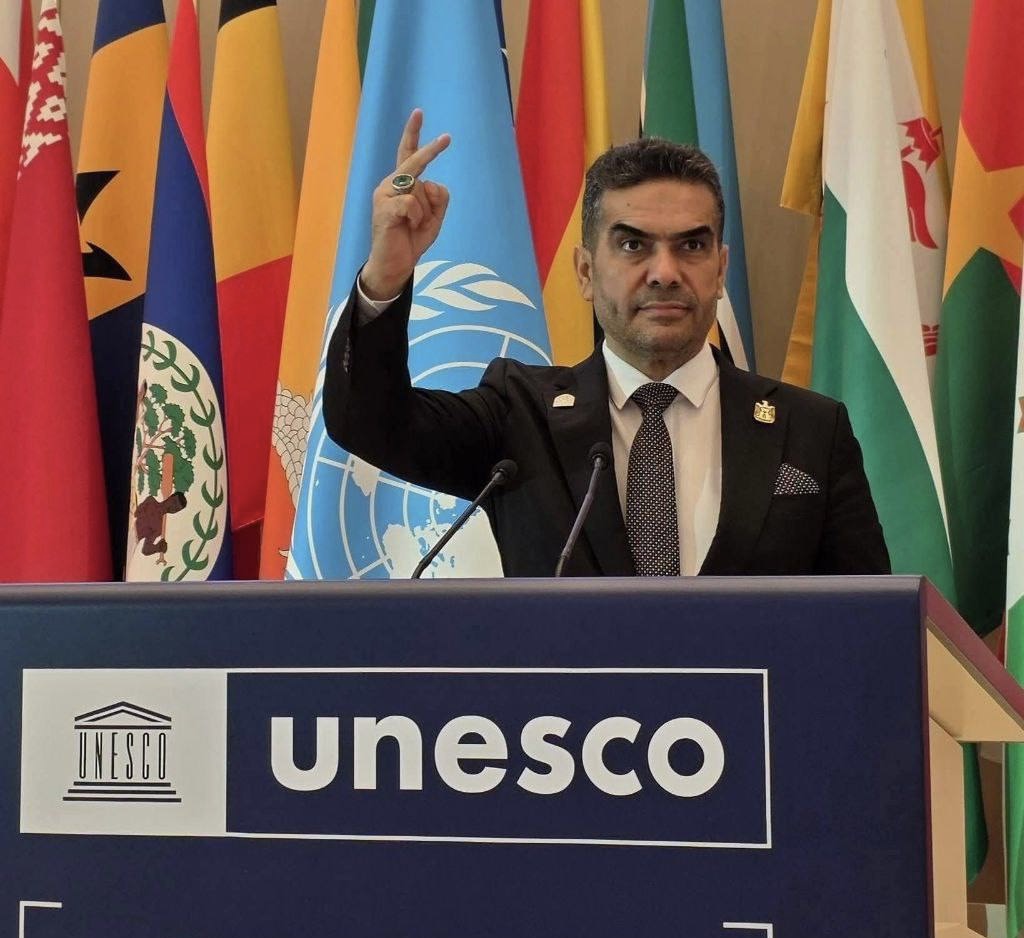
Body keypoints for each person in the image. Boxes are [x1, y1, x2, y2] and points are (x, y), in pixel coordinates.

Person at [323, 110, 890, 578]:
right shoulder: (521, 415)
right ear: (586, 272)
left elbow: (867, 628)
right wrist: (385, 276)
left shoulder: (811, 432)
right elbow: (369, 423)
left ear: (721, 270)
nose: (664, 272)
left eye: (691, 246)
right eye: (633, 246)